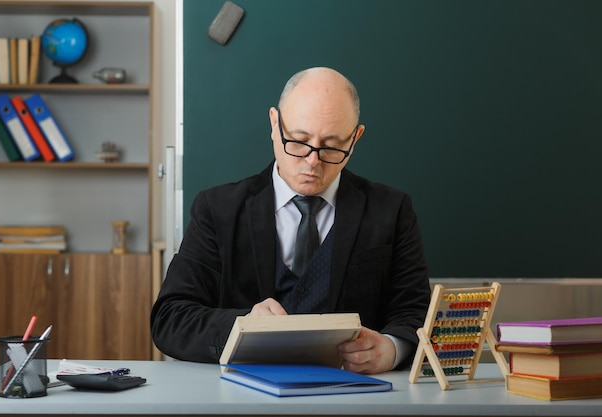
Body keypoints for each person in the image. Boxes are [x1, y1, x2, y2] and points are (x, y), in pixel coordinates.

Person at [151, 67, 431, 374]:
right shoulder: (217, 210)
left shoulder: (391, 210)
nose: (313, 162)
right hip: (239, 400)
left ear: (355, 138)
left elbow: (415, 313)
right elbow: (170, 318)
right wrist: (241, 326)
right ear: (275, 123)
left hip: (354, 398)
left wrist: (392, 348)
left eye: (332, 145)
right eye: (298, 141)